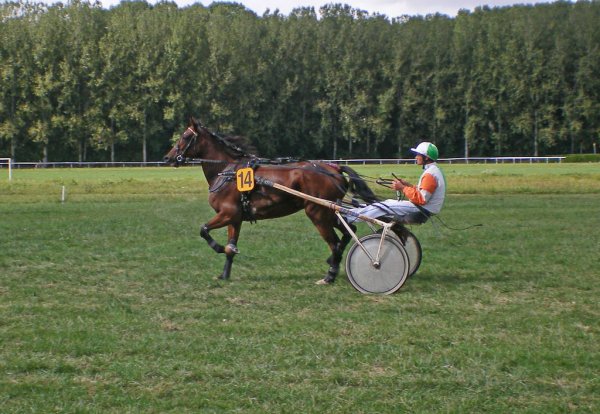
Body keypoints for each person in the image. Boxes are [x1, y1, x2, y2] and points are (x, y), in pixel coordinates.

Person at [346, 142, 446, 224]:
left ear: (426, 157)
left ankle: (348, 217)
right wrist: (408, 185)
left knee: (382, 207)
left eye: (418, 155)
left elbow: (421, 199)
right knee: (387, 203)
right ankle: (351, 212)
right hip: (423, 208)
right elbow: (423, 192)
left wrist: (402, 188)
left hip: (421, 209)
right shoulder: (433, 171)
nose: (416, 157)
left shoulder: (430, 174)